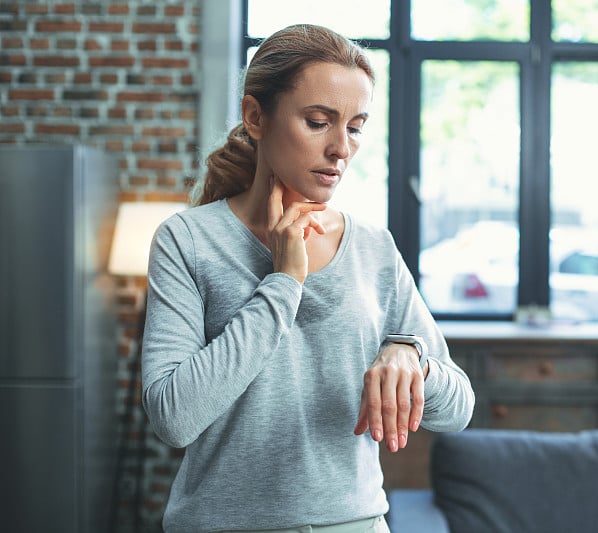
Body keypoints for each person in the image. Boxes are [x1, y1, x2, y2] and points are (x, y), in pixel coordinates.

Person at [141, 24, 475, 533]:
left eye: (356, 127)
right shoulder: (187, 240)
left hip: (356, 523)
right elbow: (174, 415)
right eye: (319, 121)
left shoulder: (372, 247)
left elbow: (458, 408)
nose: (342, 148)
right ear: (256, 117)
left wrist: (412, 357)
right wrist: (283, 283)